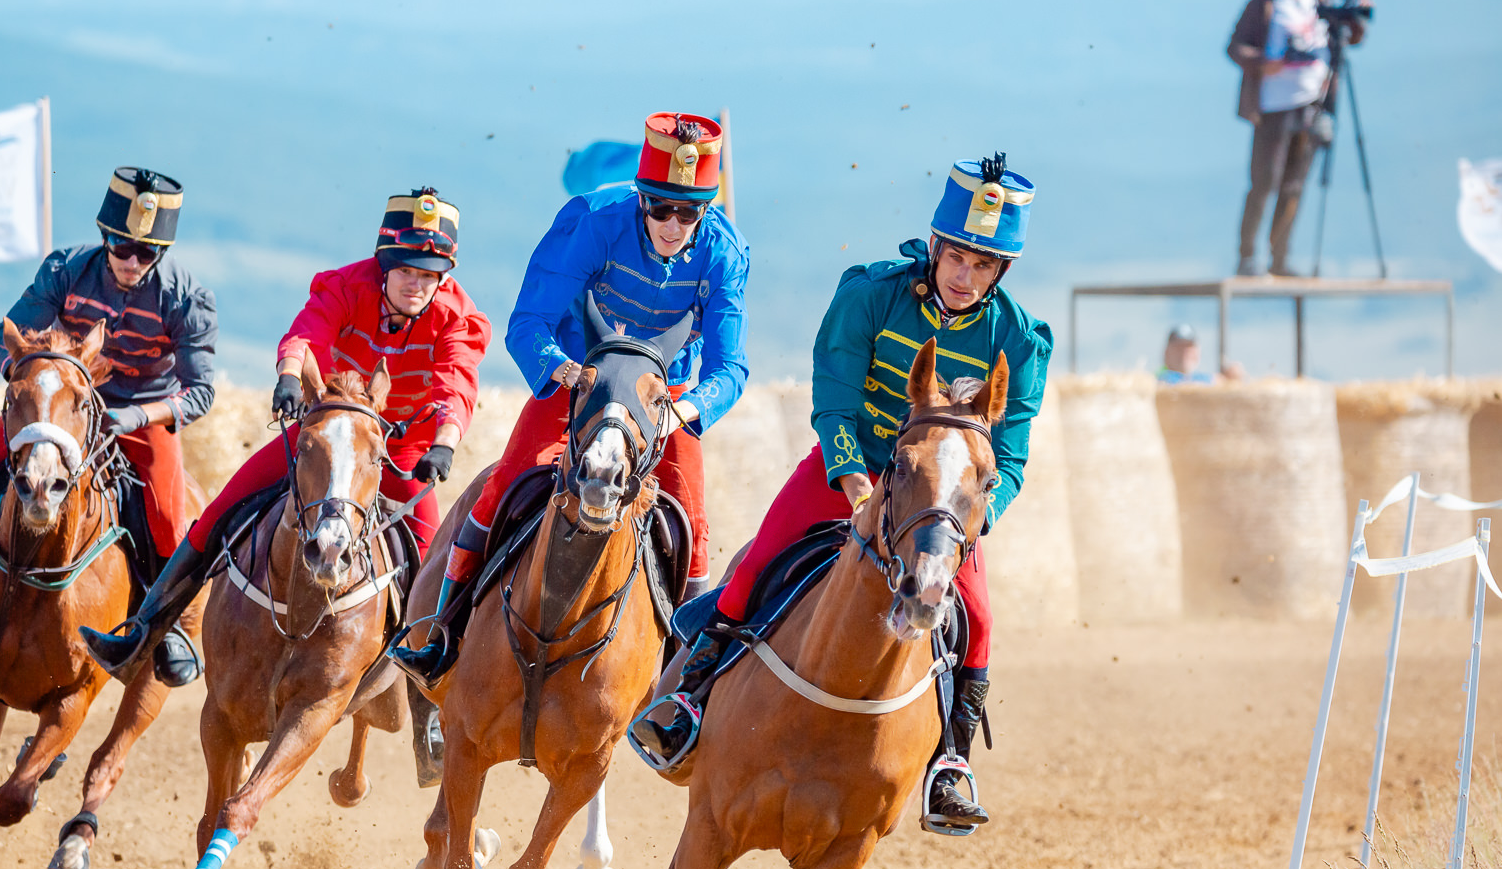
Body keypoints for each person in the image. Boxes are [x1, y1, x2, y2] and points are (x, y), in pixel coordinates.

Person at [630, 155, 1049, 831]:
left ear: (1002, 271)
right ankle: (693, 695)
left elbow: (1011, 455)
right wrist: (854, 477)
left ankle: (951, 762)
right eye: (959, 258)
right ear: (936, 246)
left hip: (939, 501)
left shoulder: (1022, 341)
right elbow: (834, 400)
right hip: (851, 470)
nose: (966, 276)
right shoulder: (870, 294)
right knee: (760, 561)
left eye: (985, 265)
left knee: (978, 618)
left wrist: (973, 520)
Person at [391, 112, 750, 684]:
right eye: (660, 207)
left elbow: (731, 366)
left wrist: (687, 408)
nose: (674, 224)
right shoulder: (592, 221)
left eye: (689, 212)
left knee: (695, 522)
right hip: (580, 374)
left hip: (663, 394)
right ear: (641, 196)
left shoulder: (726, 252)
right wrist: (561, 370)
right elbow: (528, 321)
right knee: (507, 481)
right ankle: (445, 631)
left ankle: (685, 681)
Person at [81, 188, 491, 682]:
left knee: (429, 560)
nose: (417, 284)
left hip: (399, 450)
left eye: (430, 275)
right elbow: (307, 333)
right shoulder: (344, 285)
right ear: (385, 264)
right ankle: (141, 634)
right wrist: (290, 377)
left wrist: (444, 442)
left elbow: (457, 383)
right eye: (407, 270)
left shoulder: (459, 316)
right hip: (322, 435)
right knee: (216, 515)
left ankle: (431, 676)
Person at [0, 166, 217, 685]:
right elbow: (3, 340)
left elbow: (200, 392)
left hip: (138, 413)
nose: (133, 261)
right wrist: (32, 387)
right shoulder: (65, 268)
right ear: (105, 236)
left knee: (165, 514)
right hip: (56, 404)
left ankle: (164, 627)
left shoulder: (186, 299)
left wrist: (135, 416)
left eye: (147, 252)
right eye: (123, 247)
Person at [1229, 0, 1366, 278]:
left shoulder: (1320, 4)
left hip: (1312, 108)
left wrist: (1356, 16)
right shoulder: (1265, 5)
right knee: (1264, 183)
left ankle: (1280, 257)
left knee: (1294, 186)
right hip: (1273, 107)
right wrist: (1264, 64)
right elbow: (1234, 47)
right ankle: (1248, 256)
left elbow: (1351, 39)